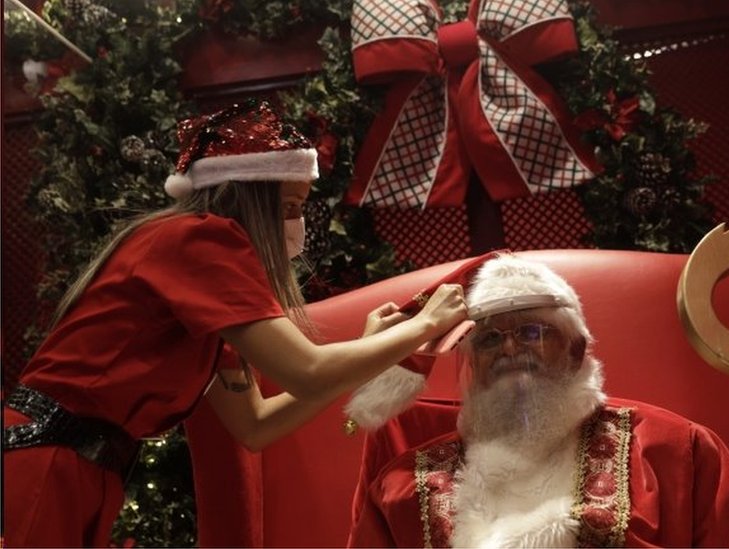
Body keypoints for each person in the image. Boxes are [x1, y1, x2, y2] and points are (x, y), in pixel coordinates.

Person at [2, 99, 467, 548]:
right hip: (48, 457)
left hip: (84, 467)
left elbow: (255, 426)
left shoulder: (209, 288)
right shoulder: (202, 239)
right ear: (249, 200)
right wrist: (425, 324)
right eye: (288, 207)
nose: (298, 224)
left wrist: (369, 352)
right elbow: (305, 371)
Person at [346, 254, 729, 548]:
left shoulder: (674, 451)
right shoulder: (403, 488)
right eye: (491, 339)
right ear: (471, 364)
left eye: (531, 332)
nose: (510, 349)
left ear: (575, 349)